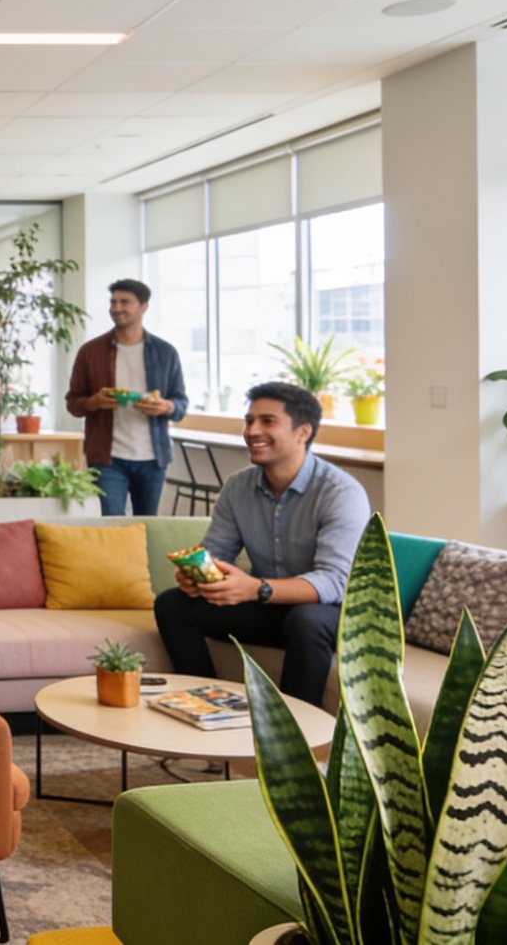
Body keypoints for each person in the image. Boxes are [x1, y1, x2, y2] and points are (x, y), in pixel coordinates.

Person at [153, 382, 371, 707]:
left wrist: (257, 589)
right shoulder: (238, 487)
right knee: (173, 604)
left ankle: (294, 730)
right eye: (249, 420)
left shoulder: (340, 493)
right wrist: (198, 576)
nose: (252, 431)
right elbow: (216, 551)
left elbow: (335, 582)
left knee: (307, 620)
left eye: (267, 421)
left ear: (302, 432)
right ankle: (208, 704)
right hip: (269, 606)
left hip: (331, 613)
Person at [64, 278, 190, 516]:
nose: (116, 308)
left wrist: (166, 406)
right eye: (113, 302)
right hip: (107, 459)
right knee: (112, 526)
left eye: (124, 302)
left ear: (144, 307)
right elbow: (73, 403)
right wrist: (94, 402)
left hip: (153, 458)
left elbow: (181, 404)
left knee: (147, 525)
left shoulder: (165, 352)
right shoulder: (91, 352)